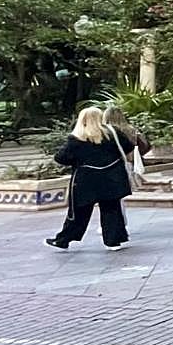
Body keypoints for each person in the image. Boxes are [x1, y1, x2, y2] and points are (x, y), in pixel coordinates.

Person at [45, 106, 134, 251]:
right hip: (112, 178)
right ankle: (113, 241)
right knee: (112, 209)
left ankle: (63, 240)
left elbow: (60, 158)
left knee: (79, 212)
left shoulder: (77, 139)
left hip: (86, 181)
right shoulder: (112, 133)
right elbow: (128, 147)